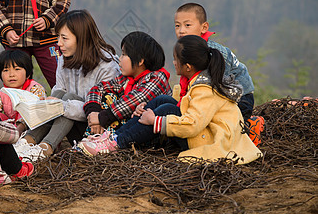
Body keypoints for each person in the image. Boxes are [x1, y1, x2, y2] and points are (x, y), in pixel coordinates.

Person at [79, 36, 262, 165]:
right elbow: (182, 104)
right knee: (163, 101)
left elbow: (193, 124)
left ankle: (116, 143)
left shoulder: (205, 90)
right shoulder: (197, 82)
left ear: (188, 66)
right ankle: (113, 137)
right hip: (203, 133)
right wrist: (145, 110)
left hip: (211, 140)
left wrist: (156, 121)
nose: (173, 63)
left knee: (167, 110)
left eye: (175, 59)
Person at [14, 10, 120, 161]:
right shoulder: (65, 58)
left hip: (97, 130)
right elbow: (59, 89)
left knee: (67, 99)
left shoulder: (107, 66)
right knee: (59, 95)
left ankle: (45, 148)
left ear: (82, 39)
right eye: (58, 37)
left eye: (64, 38)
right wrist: (52, 102)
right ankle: (27, 142)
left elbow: (103, 111)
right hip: (70, 124)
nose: (59, 43)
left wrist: (62, 106)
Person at [173, 3, 264, 142]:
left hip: (238, 97)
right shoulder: (187, 51)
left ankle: (249, 128)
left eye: (187, 25)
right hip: (216, 95)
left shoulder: (212, 52)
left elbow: (221, 89)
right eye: (177, 26)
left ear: (204, 27)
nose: (181, 31)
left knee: (221, 127)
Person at [78, 31, 171, 152]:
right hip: (127, 130)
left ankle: (106, 143)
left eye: (123, 54)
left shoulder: (157, 78)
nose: (119, 59)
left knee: (117, 104)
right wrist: (93, 112)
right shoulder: (125, 79)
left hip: (149, 137)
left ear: (140, 60)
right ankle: (96, 139)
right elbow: (98, 88)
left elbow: (134, 100)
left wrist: (101, 118)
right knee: (108, 95)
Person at [0, 49, 47, 134]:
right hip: (11, 130)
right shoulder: (2, 93)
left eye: (17, 69)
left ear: (28, 73)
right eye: (6, 70)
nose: (11, 74)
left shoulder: (35, 88)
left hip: (33, 130)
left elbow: (35, 113)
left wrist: (20, 127)